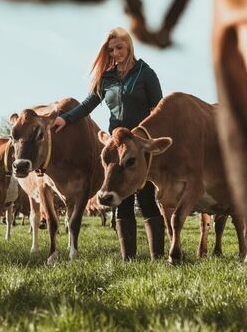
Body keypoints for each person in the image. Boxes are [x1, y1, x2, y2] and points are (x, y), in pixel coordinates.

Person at [53, 27, 165, 261]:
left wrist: (149, 140)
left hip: (138, 145)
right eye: (111, 50)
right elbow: (87, 105)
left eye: (119, 48)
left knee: (146, 198)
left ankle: (157, 257)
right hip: (116, 147)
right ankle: (128, 259)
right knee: (120, 198)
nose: (115, 53)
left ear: (129, 46)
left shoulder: (146, 73)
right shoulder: (106, 78)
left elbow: (158, 109)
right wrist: (65, 118)